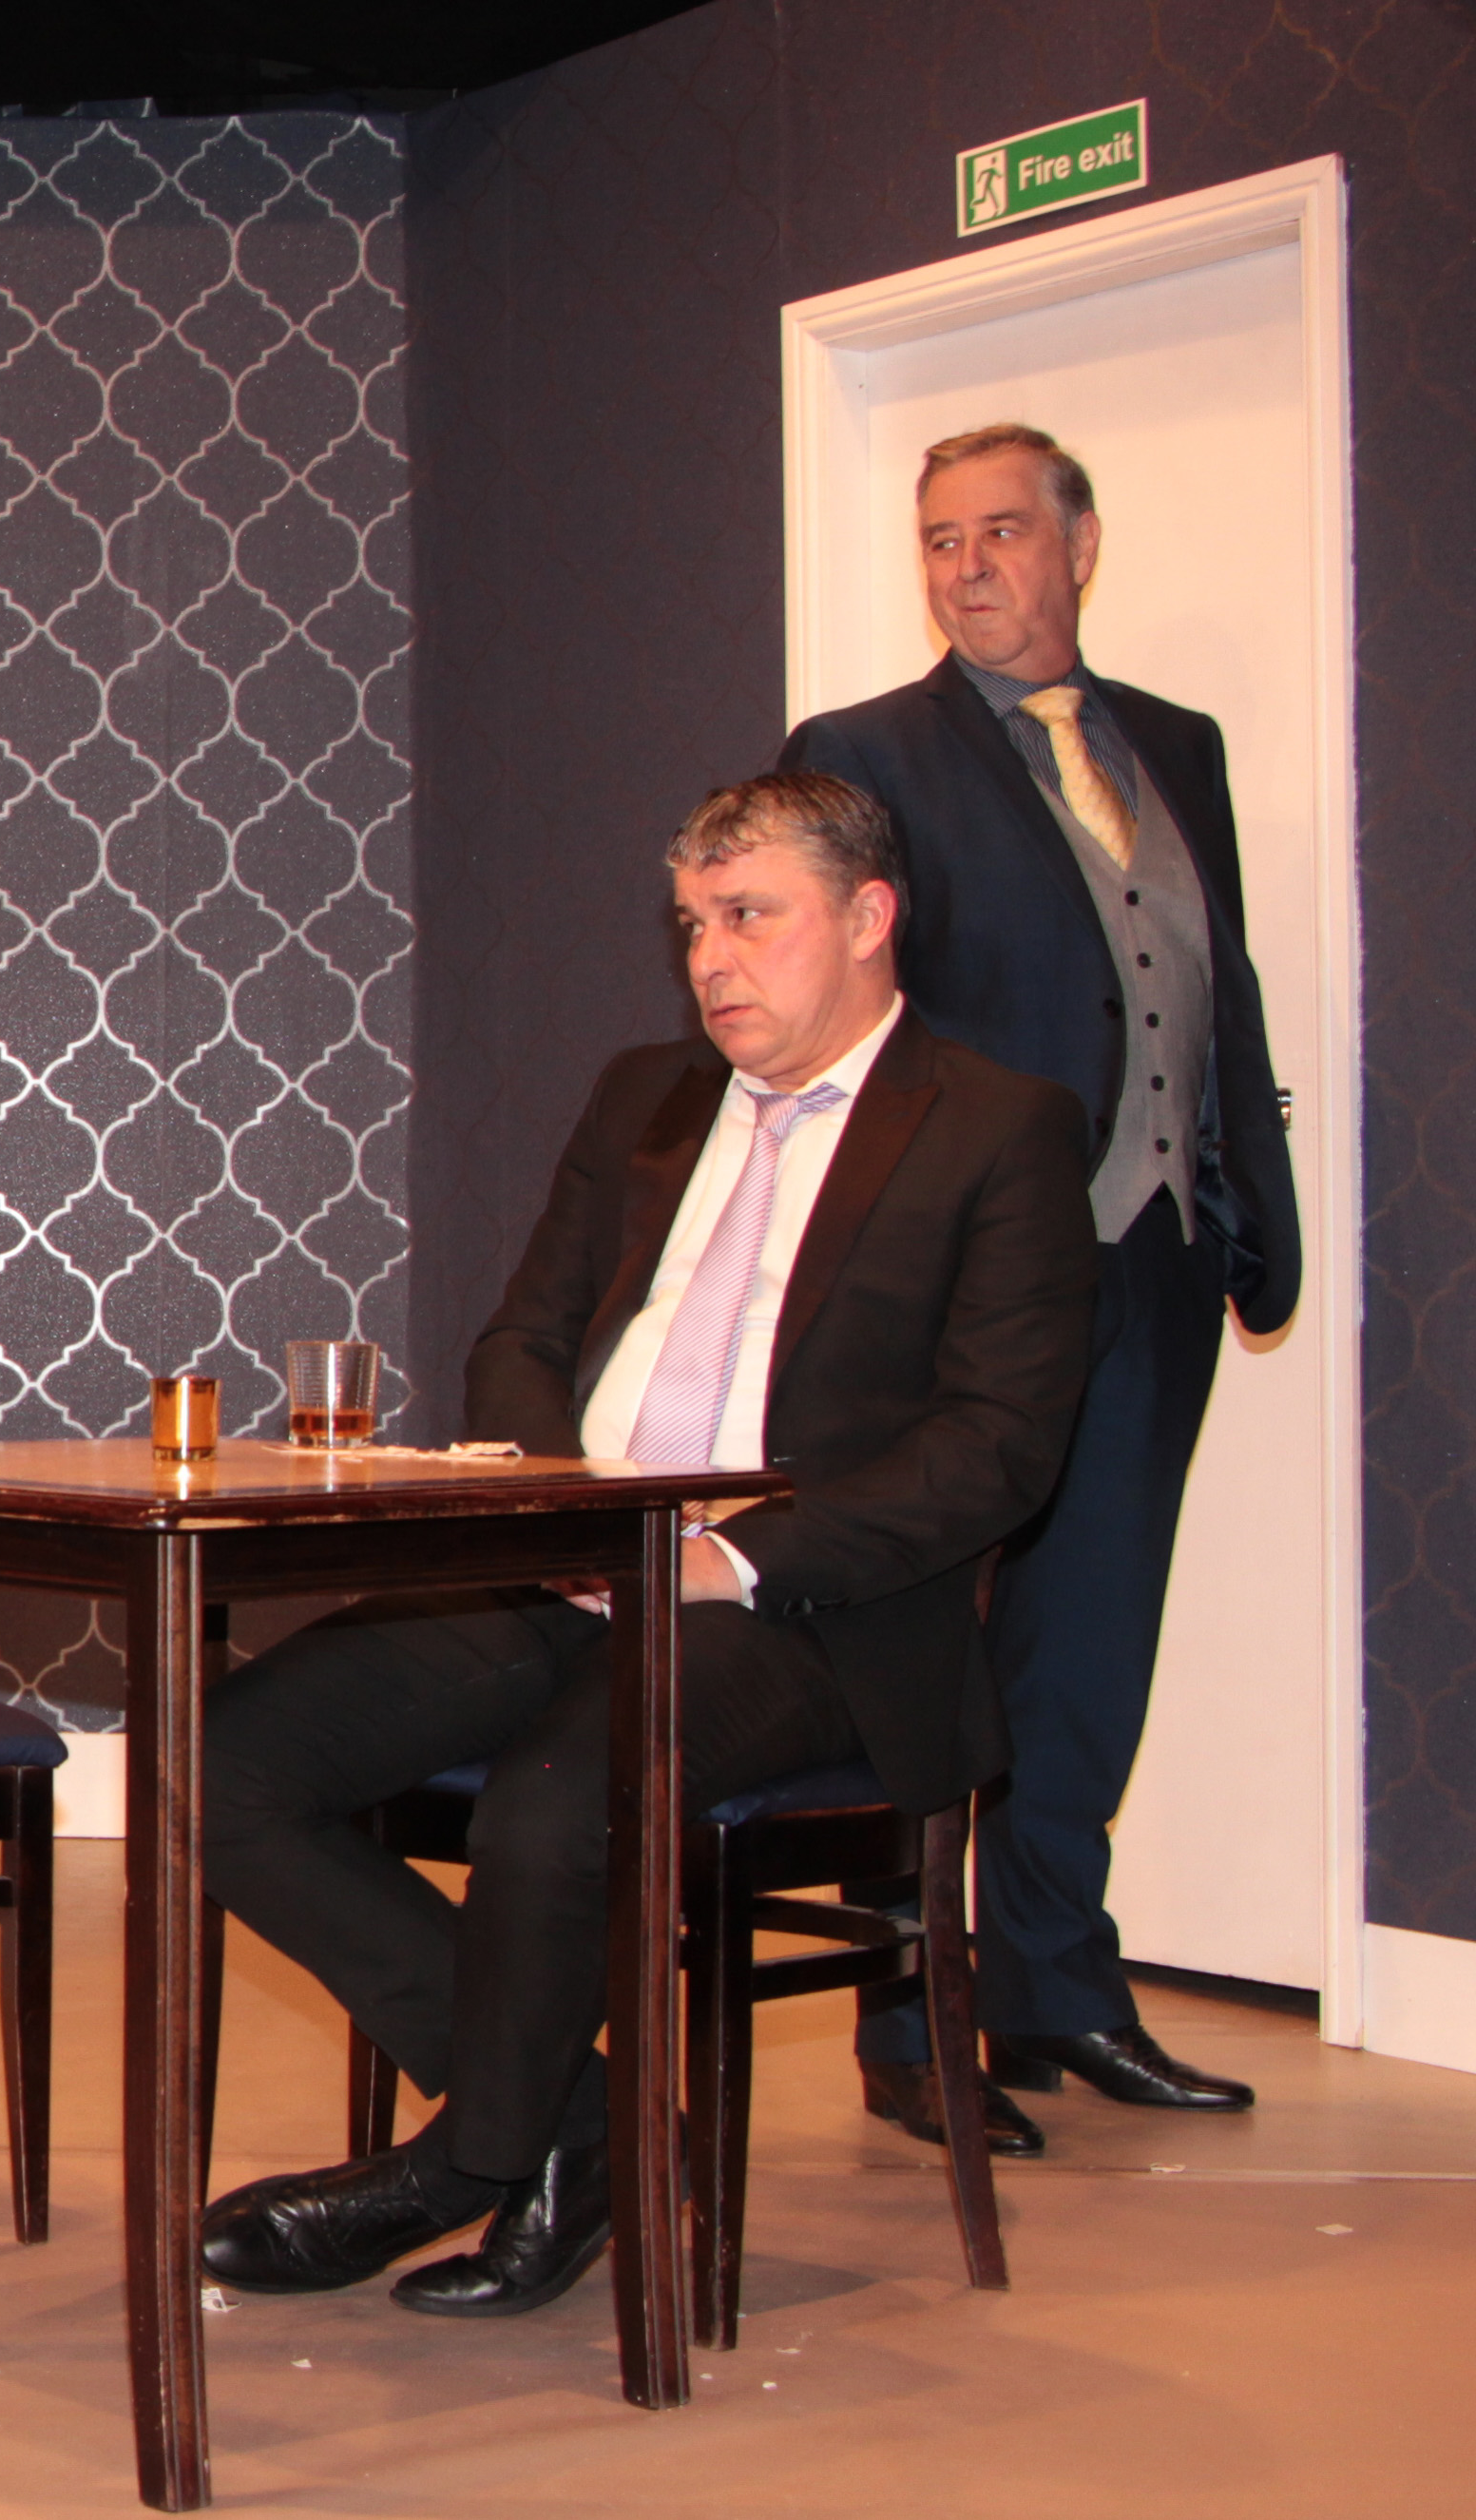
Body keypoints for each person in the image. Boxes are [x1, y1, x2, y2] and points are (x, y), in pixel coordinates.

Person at [193, 771, 1093, 2316]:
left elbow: (998, 1445)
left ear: (869, 919)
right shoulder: (648, 1098)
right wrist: (560, 1506)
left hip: (809, 1611)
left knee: (556, 1803)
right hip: (574, 1559)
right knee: (219, 1763)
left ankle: (464, 2166)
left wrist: (732, 1556)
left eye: (748, 917)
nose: (710, 960)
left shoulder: (999, 1128)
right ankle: (578, 2126)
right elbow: (522, 1339)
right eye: (691, 926)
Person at [781, 423, 1298, 2143]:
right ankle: (909, 2027)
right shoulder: (865, 755)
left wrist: (1244, 1199)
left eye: (1002, 531)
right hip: (961, 1273)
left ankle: (1056, 1989)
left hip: (1153, 1254)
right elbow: (843, 1010)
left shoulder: (1175, 746)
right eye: (940, 539)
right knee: (924, 1639)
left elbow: (1211, 981)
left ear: (1079, 545)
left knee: (1089, 1648)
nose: (969, 566)